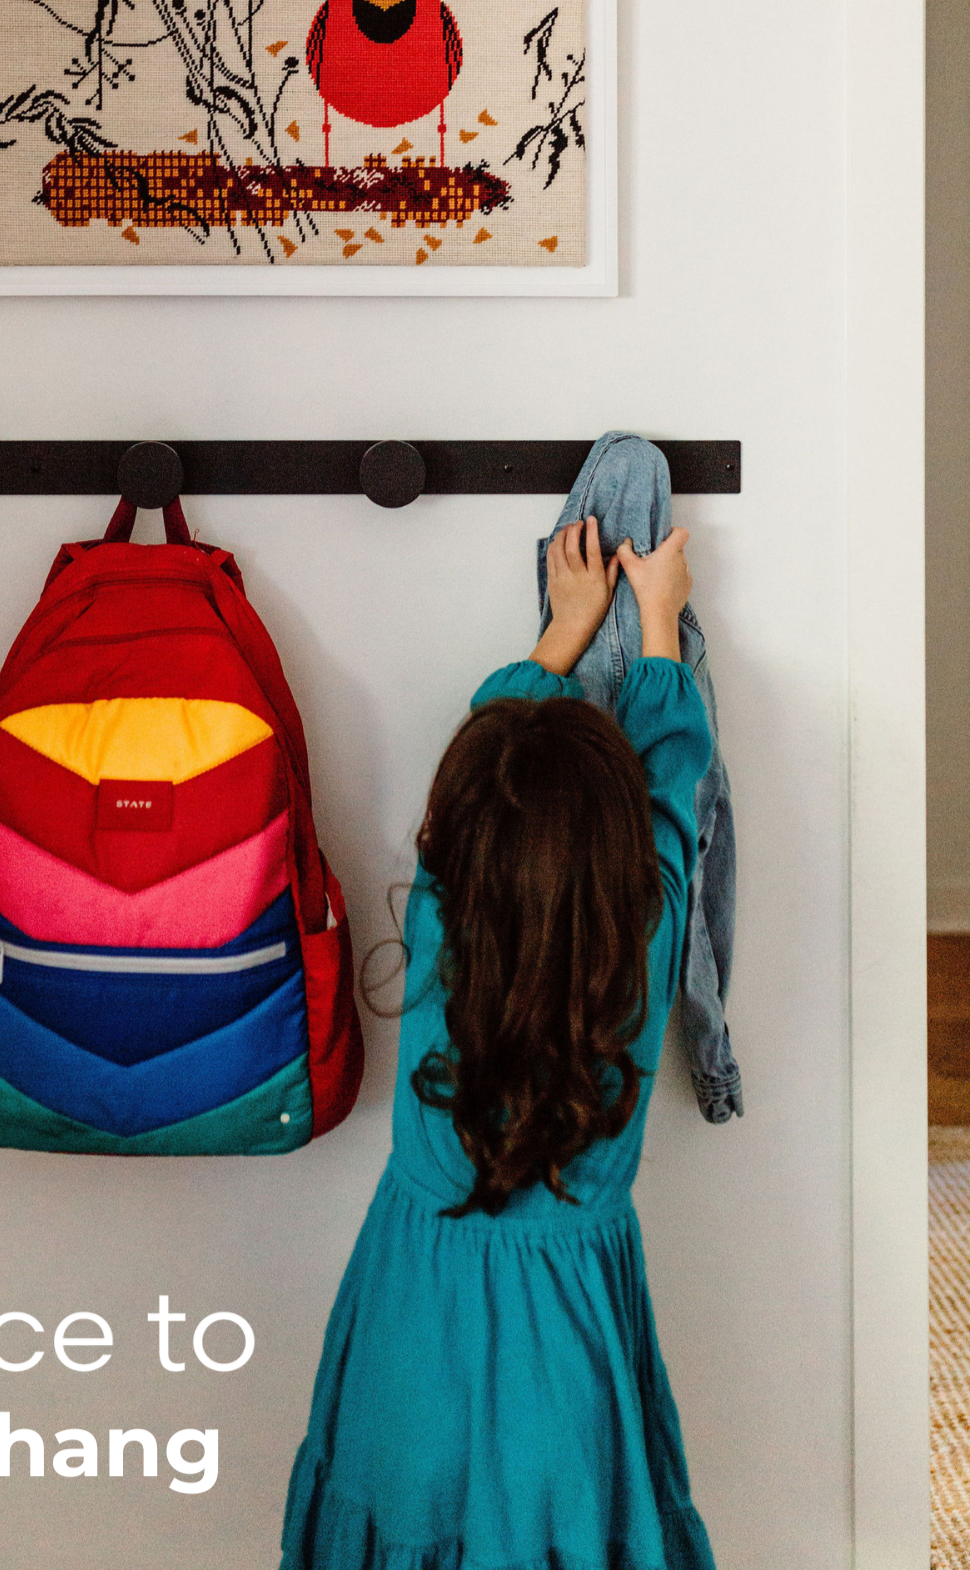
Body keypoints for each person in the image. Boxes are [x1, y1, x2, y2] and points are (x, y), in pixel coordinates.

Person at [280, 509, 717, 1570]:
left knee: (400, 1522)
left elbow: (480, 781)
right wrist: (657, 628)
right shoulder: (642, 939)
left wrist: (559, 640)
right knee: (549, 1533)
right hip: (563, 1343)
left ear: (455, 843)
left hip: (412, 1313)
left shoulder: (438, 922)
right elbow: (672, 788)